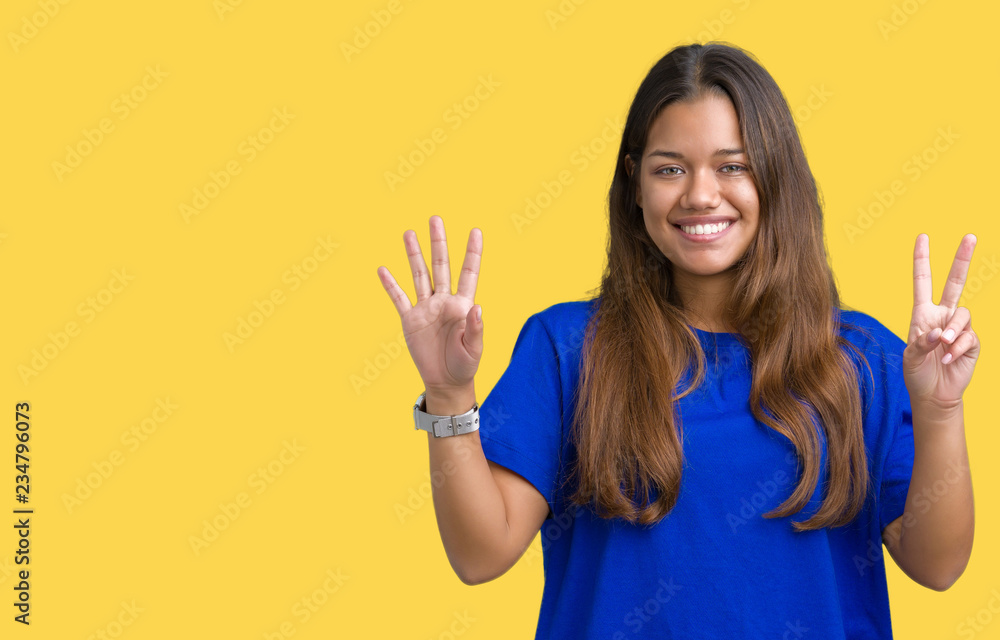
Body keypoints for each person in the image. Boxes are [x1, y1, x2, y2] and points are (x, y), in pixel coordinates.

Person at [376, 42, 977, 639]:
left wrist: (940, 409)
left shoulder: (862, 359)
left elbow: (938, 564)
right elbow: (481, 555)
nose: (700, 194)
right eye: (670, 169)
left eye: (732, 166)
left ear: (776, 177)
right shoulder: (568, 348)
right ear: (635, 186)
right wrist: (449, 395)